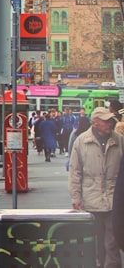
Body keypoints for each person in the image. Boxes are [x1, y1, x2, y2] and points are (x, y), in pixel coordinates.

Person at [70, 106, 122, 268]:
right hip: (91, 200)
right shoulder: (82, 141)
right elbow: (75, 171)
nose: (110, 124)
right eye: (106, 121)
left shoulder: (119, 140)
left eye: (111, 121)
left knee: (113, 242)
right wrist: (76, 197)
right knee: (94, 241)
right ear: (95, 123)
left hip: (114, 199)